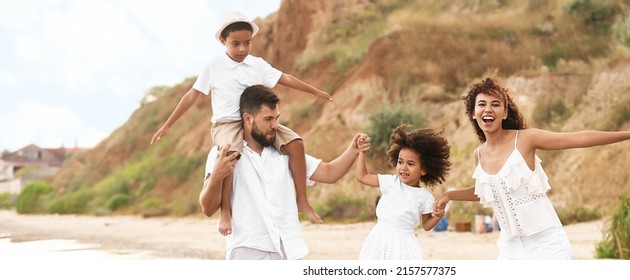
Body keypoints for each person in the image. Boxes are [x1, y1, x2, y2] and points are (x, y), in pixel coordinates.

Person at [435, 77, 630, 260]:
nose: (489, 109)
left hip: (547, 244)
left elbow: (579, 138)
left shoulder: (525, 140)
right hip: (509, 249)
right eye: (482, 104)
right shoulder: (479, 154)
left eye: (496, 104)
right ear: (474, 113)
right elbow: (486, 192)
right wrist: (449, 195)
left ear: (505, 113)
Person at [151, 11, 332, 234]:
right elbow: (191, 96)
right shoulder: (214, 66)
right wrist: (168, 125)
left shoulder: (257, 65)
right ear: (222, 41)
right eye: (235, 44)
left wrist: (315, 91)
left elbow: (285, 78)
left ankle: (302, 201)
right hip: (226, 124)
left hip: (256, 121)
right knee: (230, 154)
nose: (242, 49)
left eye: (247, 43)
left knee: (296, 143)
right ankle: (226, 211)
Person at [199, 85, 369, 260]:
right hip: (248, 250)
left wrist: (353, 150)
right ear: (248, 119)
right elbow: (208, 208)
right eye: (268, 119)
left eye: (276, 118)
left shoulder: (285, 152)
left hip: (289, 250)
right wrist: (217, 176)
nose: (275, 125)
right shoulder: (223, 153)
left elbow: (329, 173)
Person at [355, 124, 451, 260]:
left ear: (423, 170)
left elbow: (426, 225)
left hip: (404, 244)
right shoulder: (390, 182)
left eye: (411, 164)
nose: (403, 168)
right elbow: (362, 176)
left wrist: (438, 216)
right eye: (400, 162)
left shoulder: (425, 197)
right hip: (378, 238)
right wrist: (361, 153)